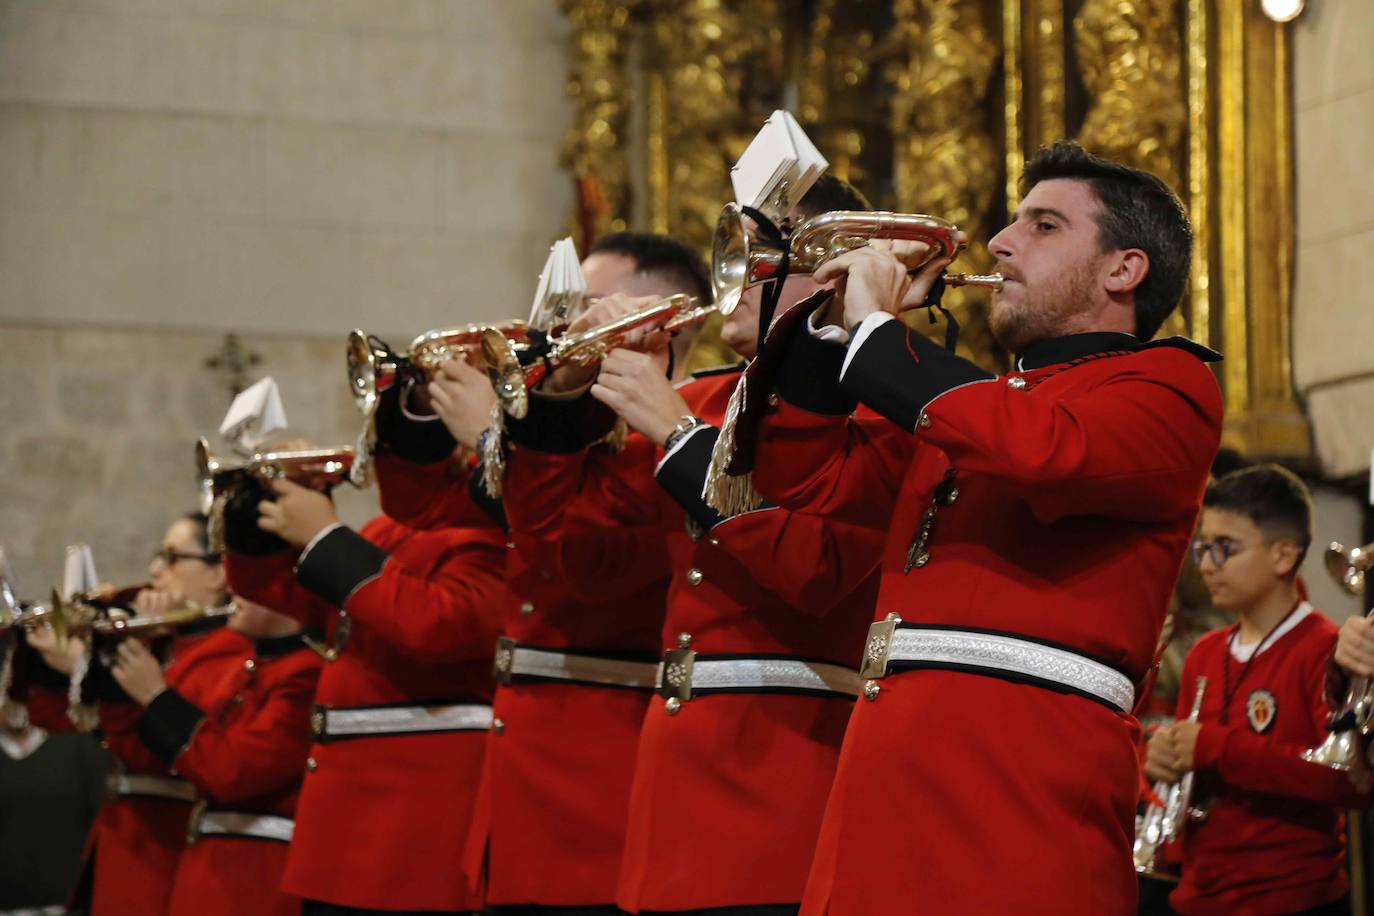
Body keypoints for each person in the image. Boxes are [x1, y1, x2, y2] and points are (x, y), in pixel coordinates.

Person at [729, 141, 1223, 913]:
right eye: (1014, 221)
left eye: (1045, 225)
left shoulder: (1169, 385)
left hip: (1014, 804)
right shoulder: (970, 404)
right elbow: (808, 484)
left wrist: (880, 336)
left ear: (1123, 270)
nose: (1000, 241)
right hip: (880, 797)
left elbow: (1045, 452)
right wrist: (826, 332)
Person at [492, 176, 884, 914]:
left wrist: (675, 434)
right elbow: (569, 551)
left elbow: (814, 572)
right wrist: (561, 403)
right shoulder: (705, 397)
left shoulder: (877, 402)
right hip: (671, 792)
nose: (735, 275)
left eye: (769, 252)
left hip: (784, 783)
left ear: (839, 271)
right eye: (735, 249)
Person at [391, 232, 705, 913]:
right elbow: (420, 507)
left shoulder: (677, 432)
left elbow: (578, 562)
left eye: (590, 305)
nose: (567, 328)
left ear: (672, 319)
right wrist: (415, 412)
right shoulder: (563, 426)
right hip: (520, 766)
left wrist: (491, 441)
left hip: (596, 772)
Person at [222, 448, 507, 916]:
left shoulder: (488, 525)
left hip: (410, 818)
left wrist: (324, 535)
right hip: (343, 817)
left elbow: (437, 626)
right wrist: (256, 516)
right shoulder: (388, 532)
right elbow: (292, 598)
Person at [1147, 465, 1369, 915]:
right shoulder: (1204, 653)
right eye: (1203, 548)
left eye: (1224, 549)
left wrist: (1214, 748)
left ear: (1283, 556)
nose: (1207, 565)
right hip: (1200, 894)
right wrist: (1161, 760)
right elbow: (1190, 769)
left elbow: (1349, 782)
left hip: (1289, 898)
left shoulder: (1324, 649)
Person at [27, 588, 319, 916]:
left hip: (241, 872)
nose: (156, 574)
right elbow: (125, 742)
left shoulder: (292, 669)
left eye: (172, 559)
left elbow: (229, 771)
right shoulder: (254, 662)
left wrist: (155, 695)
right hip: (193, 863)